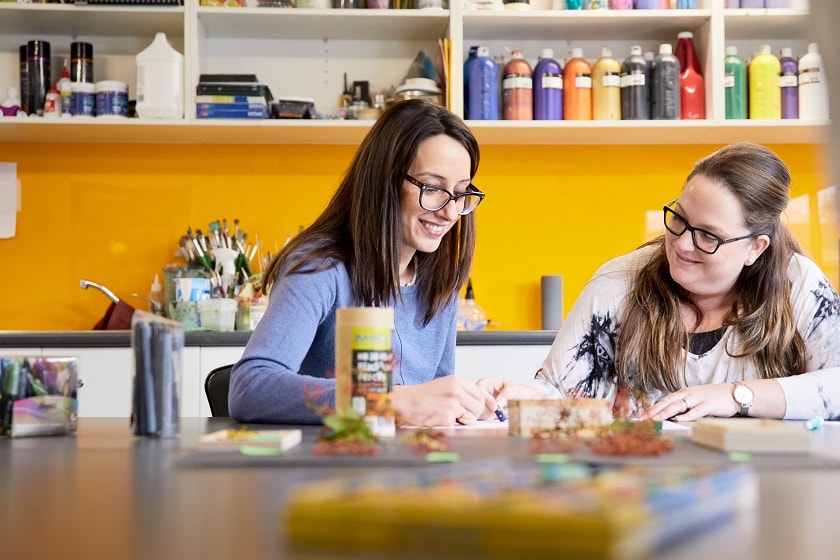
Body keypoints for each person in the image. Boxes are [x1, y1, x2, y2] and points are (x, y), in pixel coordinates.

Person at [480, 142, 840, 421]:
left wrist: (735, 396)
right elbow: (560, 392)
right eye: (679, 218)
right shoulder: (619, 283)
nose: (683, 244)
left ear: (755, 248)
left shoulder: (798, 285)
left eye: (708, 236)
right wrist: (516, 397)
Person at [229, 99, 496, 426]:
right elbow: (250, 388)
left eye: (460, 192)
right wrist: (386, 402)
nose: (450, 212)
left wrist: (462, 408)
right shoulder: (321, 269)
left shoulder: (440, 284)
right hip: (327, 467)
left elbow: (430, 409)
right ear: (386, 181)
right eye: (432, 188)